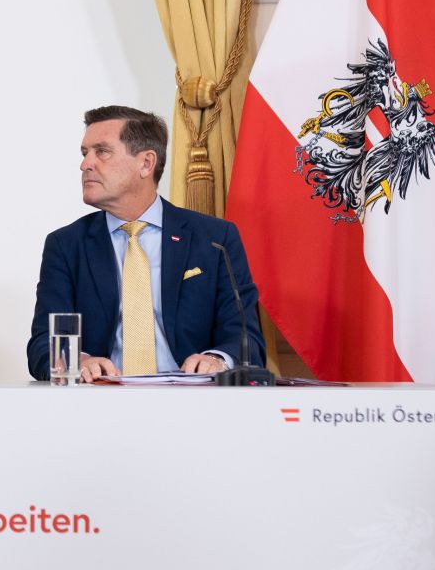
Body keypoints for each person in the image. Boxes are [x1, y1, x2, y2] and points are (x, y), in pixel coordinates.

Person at [26, 105, 262, 382]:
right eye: (85, 153)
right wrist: (79, 360)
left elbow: (246, 339)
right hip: (101, 401)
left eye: (101, 151)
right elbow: (43, 345)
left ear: (146, 163)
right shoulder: (66, 245)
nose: (85, 164)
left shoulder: (214, 239)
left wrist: (217, 359)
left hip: (193, 403)